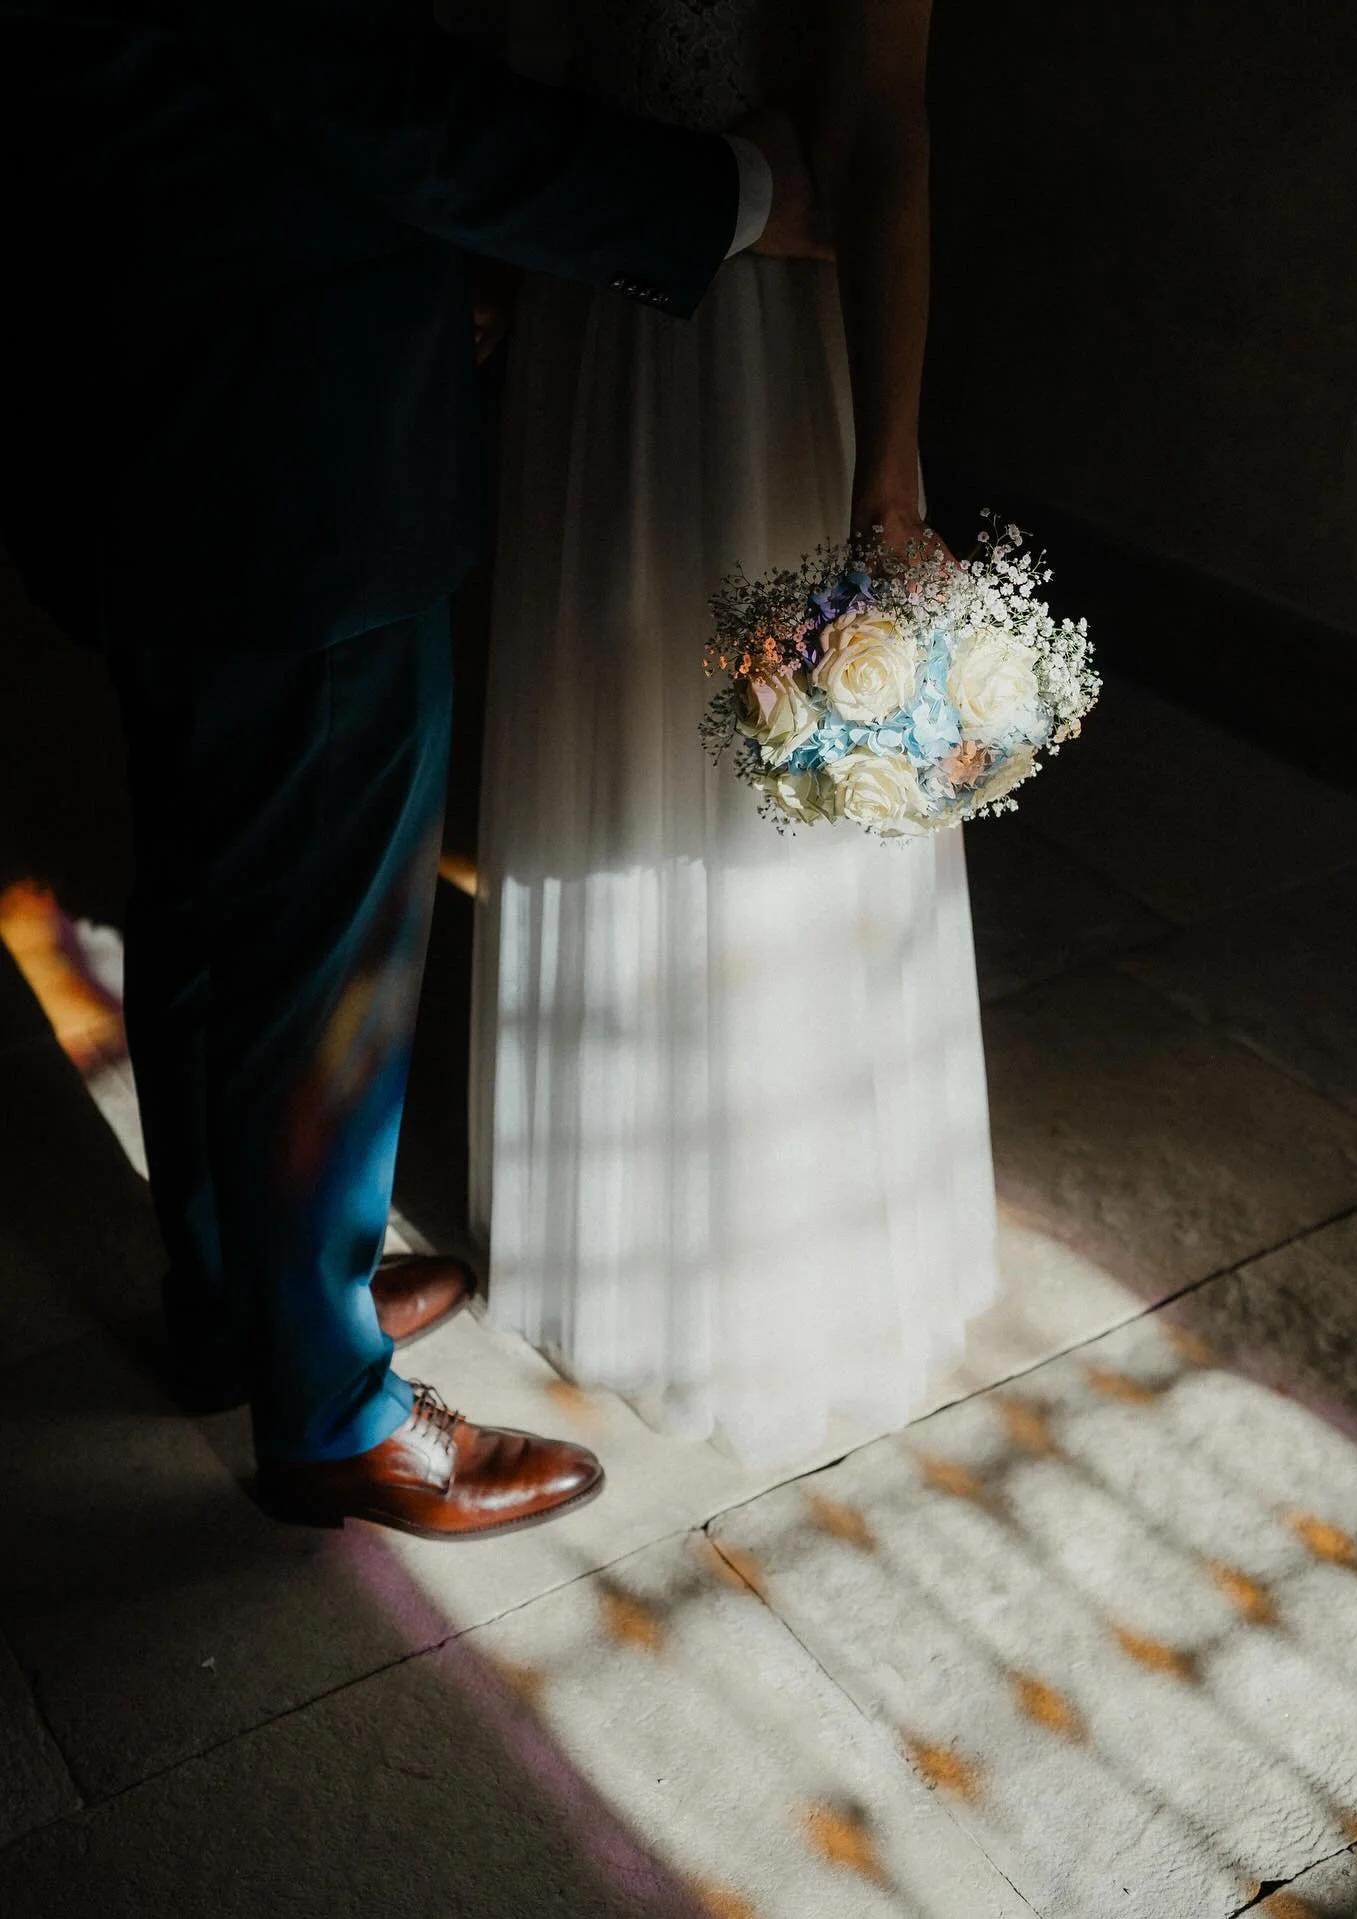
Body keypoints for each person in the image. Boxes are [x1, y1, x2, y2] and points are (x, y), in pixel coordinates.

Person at [0, 0, 824, 1537]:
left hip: (154, 410)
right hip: (289, 467)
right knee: (329, 961)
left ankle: (242, 1291)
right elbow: (382, 96)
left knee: (203, 891)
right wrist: (741, 198)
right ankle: (332, 1410)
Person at [472, 0, 1000, 1471]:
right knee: (602, 720)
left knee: (755, 767)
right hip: (593, 313)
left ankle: (776, 1258)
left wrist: (887, 468)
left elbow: (884, 124)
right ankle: (617, 1224)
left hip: (756, 344)